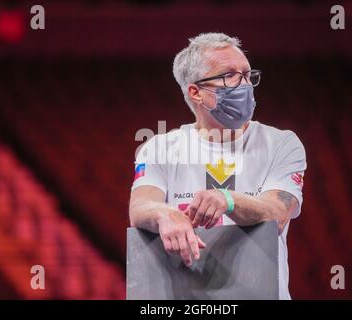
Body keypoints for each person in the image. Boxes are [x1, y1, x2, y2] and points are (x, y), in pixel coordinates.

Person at [129, 32, 307, 299]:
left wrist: (228, 199)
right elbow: (140, 208)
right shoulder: (159, 148)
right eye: (229, 75)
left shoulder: (282, 143)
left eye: (247, 75)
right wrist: (165, 215)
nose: (245, 85)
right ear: (196, 92)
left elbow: (277, 214)